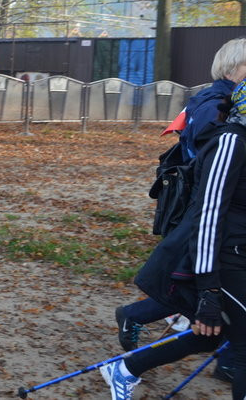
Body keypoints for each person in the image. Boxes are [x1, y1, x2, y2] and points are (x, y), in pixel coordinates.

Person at [99, 83, 246, 400]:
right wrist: (207, 289)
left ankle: (126, 369)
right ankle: (129, 343)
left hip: (238, 255)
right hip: (224, 257)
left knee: (213, 335)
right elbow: (209, 213)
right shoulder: (232, 140)